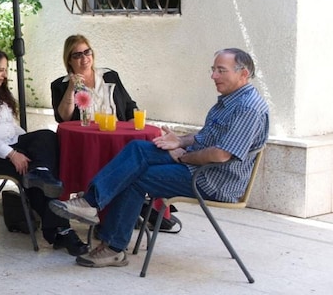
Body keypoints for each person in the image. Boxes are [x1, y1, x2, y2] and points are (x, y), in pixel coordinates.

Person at [50, 48, 269, 268]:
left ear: (243, 74)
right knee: (137, 149)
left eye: (221, 70)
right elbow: (205, 137)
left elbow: (221, 154)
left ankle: (113, 247)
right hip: (200, 167)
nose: (213, 76)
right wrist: (180, 141)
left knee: (135, 177)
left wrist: (184, 157)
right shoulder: (230, 101)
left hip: (213, 180)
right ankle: (90, 202)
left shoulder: (247, 108)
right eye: (213, 69)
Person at [0, 46, 88, 255]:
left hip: (1, 148)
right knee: (27, 169)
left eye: (5, 70)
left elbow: (11, 126)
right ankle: (62, 231)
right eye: (0, 70)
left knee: (46, 137)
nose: (4, 75)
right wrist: (13, 154)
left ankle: (41, 174)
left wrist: (30, 145)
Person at [51, 34, 138, 123]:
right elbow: (63, 118)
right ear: (69, 60)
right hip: (84, 131)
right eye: (77, 55)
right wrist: (71, 89)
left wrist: (133, 126)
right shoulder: (60, 85)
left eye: (87, 52)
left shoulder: (110, 75)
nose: (84, 58)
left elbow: (129, 106)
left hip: (114, 128)